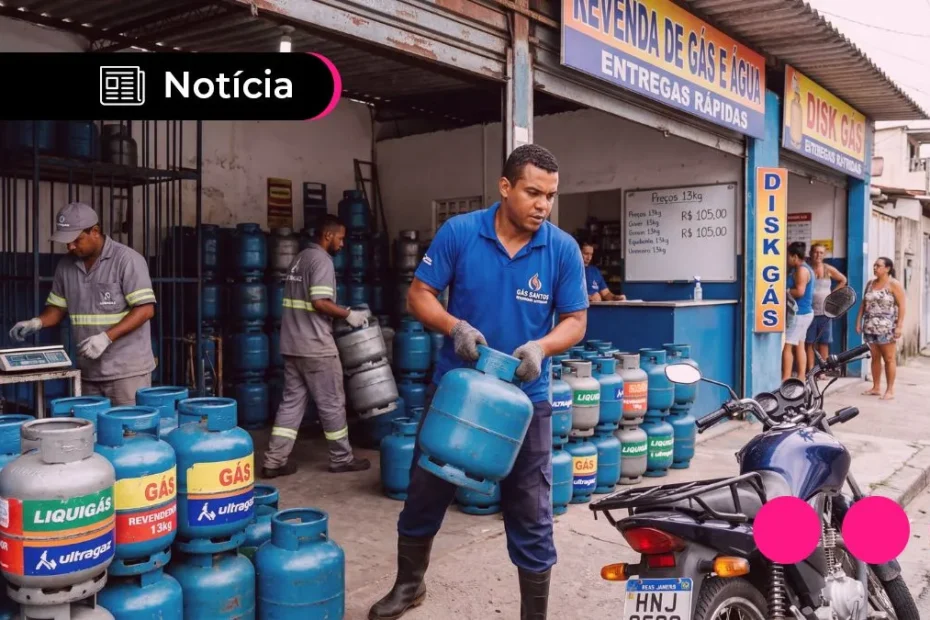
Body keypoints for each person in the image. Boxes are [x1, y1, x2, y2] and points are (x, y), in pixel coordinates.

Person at [367, 144, 588, 620]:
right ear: (505, 187)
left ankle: (534, 613)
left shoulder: (561, 249)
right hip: (458, 394)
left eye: (550, 196)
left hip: (525, 403)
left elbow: (575, 320)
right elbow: (419, 295)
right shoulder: (460, 233)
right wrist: (455, 328)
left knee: (531, 512)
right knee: (426, 492)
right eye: (532, 192)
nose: (542, 205)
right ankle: (409, 586)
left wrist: (542, 347)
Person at [8, 202, 156, 405]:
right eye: (67, 242)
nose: (70, 247)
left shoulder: (127, 260)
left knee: (128, 433)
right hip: (88, 372)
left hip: (127, 372)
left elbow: (146, 310)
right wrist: (37, 322)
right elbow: (57, 309)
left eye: (76, 240)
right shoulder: (65, 266)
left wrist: (106, 338)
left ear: (95, 232)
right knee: (90, 433)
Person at [261, 214, 371, 478]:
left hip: (292, 344)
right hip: (316, 346)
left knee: (291, 404)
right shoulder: (321, 261)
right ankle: (342, 458)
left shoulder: (299, 260)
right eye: (341, 238)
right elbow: (319, 301)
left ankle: (274, 461)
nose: (343, 244)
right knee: (332, 402)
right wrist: (348, 314)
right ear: (328, 235)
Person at [855, 256, 905, 400]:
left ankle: (889, 390)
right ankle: (876, 387)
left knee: (889, 358)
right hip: (870, 326)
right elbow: (864, 304)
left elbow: (902, 306)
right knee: (875, 357)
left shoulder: (893, 284)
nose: (875, 268)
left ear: (887, 268)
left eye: (878, 266)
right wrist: (859, 321)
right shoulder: (870, 284)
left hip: (887, 327)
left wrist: (899, 326)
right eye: (874, 265)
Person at [804, 243, 847, 373]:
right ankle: (811, 370)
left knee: (824, 342)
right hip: (809, 311)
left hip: (825, 312)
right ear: (811, 253)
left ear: (824, 255)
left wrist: (833, 294)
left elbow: (843, 280)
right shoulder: (806, 269)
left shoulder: (828, 269)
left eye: (821, 253)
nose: (818, 255)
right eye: (816, 252)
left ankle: (822, 370)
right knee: (809, 342)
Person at [783, 241, 814, 381]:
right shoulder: (802, 268)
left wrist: (784, 292)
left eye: (788, 256)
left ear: (795, 256)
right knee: (800, 345)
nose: (787, 259)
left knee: (788, 345)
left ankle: (785, 379)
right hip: (804, 313)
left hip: (799, 314)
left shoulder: (802, 270)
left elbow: (800, 291)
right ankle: (801, 378)